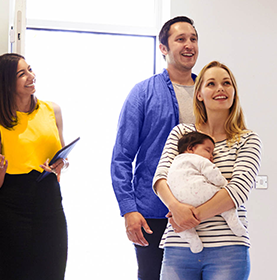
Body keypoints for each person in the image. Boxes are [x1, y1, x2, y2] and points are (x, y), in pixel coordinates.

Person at [153, 61, 262, 280]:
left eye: (226, 83)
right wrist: (176, 207)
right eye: (211, 84)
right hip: (179, 246)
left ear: (234, 92)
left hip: (228, 250)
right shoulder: (181, 133)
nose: (220, 88)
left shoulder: (248, 139)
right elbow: (160, 178)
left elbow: (238, 191)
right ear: (200, 94)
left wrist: (189, 217)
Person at [110, 16, 199, 280]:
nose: (189, 45)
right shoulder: (143, 93)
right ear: (163, 48)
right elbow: (121, 158)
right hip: (153, 211)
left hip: (200, 211)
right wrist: (129, 209)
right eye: (180, 39)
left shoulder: (209, 92)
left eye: (193, 39)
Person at [0, 53, 69, 280]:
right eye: (22, 74)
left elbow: (63, 157)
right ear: (6, 84)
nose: (31, 76)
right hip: (12, 213)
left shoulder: (52, 110)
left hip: (50, 207)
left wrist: (63, 163)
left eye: (30, 69)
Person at [167, 131, 246, 254]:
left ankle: (192, 239)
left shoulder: (174, 163)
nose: (211, 156)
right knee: (223, 197)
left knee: (179, 225)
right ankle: (232, 220)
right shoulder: (198, 159)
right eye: (208, 150)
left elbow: (162, 180)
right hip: (200, 192)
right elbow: (213, 173)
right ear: (191, 149)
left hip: (180, 201)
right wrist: (225, 184)